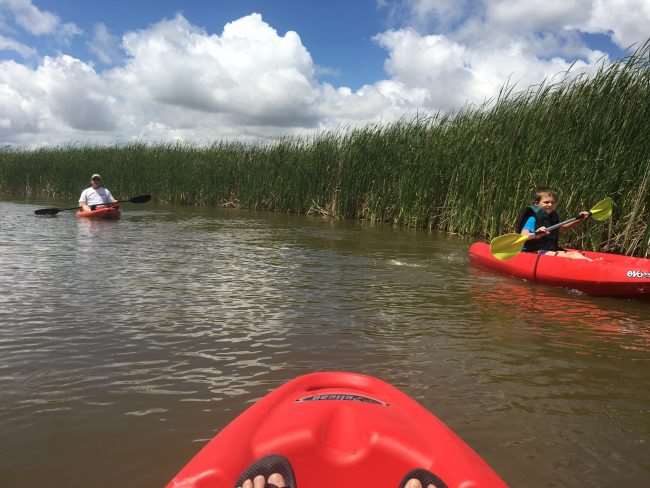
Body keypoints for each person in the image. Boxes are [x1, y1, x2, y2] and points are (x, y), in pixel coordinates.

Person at [515, 187, 591, 260]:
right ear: (536, 203)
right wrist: (536, 234)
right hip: (533, 252)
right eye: (546, 202)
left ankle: (592, 264)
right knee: (572, 256)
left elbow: (562, 228)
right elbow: (523, 235)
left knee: (575, 254)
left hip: (547, 250)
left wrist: (579, 219)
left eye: (552, 202)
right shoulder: (532, 218)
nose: (550, 205)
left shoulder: (551, 217)